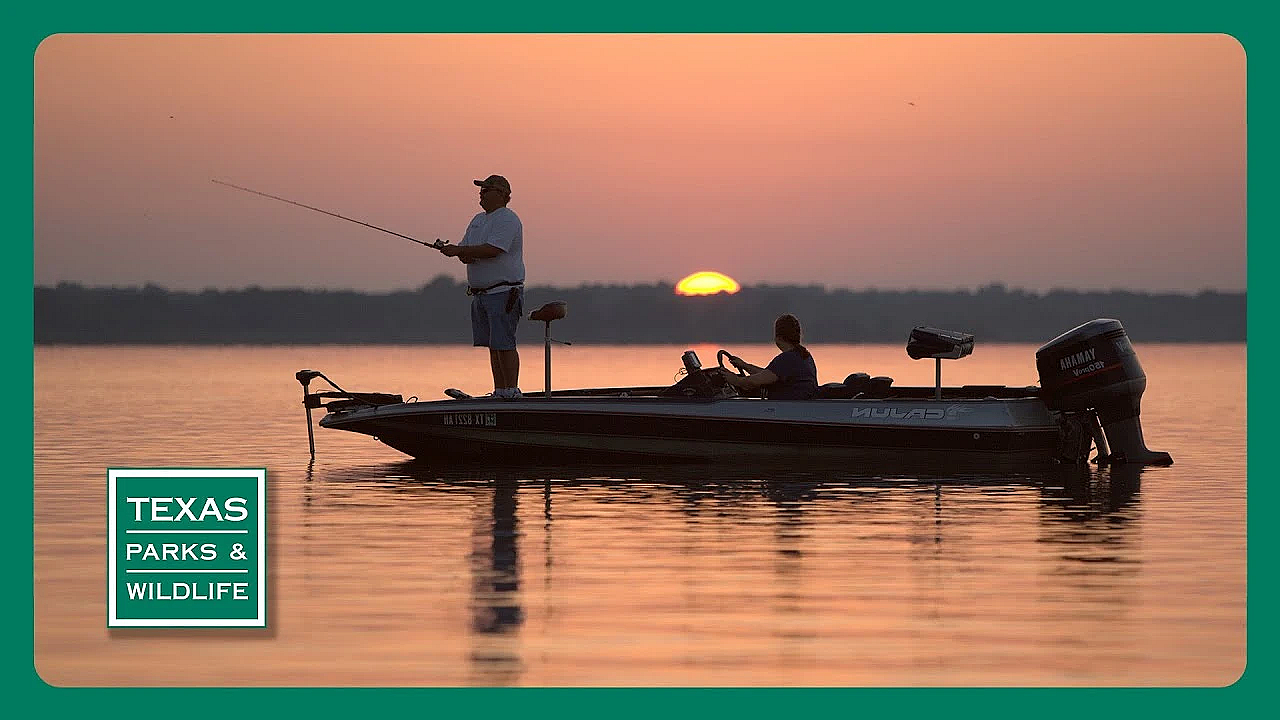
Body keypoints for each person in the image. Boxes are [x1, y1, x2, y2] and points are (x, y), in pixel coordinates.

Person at [436, 174, 525, 398]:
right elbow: (467, 251)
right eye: (481, 190)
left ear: (503, 195)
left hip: (504, 292)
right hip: (480, 295)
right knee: (493, 346)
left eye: (486, 189)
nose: (481, 193)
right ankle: (500, 391)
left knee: (505, 343)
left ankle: (511, 391)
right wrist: (457, 251)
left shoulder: (507, 219)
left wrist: (460, 251)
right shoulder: (477, 220)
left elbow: (494, 249)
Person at [719, 313, 819, 400]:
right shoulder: (803, 355)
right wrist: (744, 365)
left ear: (778, 337)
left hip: (788, 408)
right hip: (801, 405)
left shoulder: (786, 359)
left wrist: (736, 380)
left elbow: (753, 382)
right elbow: (767, 375)